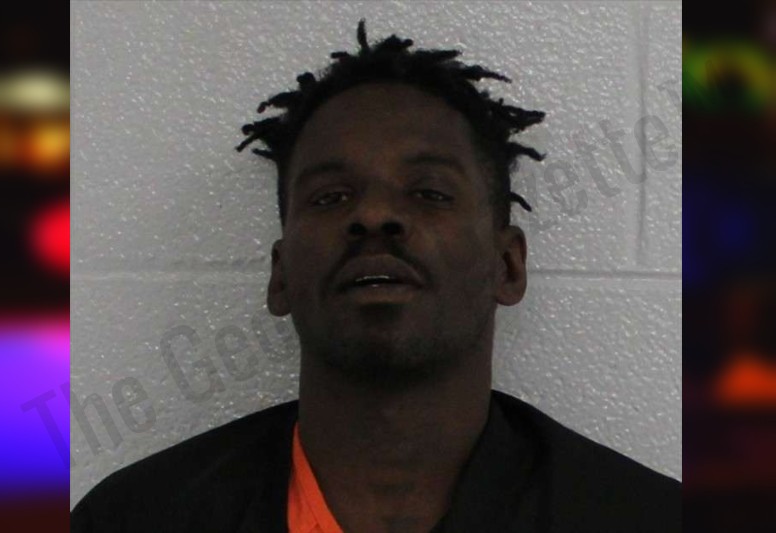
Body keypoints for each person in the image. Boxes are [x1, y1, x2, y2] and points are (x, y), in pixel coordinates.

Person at [71, 20, 680, 532]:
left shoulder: (642, 518)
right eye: (331, 197)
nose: (374, 216)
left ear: (507, 265)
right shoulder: (131, 520)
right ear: (280, 277)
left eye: (429, 192)